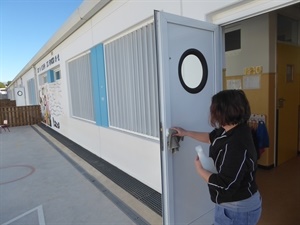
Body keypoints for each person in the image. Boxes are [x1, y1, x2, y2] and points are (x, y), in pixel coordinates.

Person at [173, 89, 262, 225]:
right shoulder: (230, 129)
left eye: (214, 110)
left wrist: (200, 170)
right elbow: (211, 137)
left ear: (223, 112)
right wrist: (186, 133)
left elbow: (224, 186)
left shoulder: (237, 143)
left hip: (237, 210)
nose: (212, 114)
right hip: (231, 207)